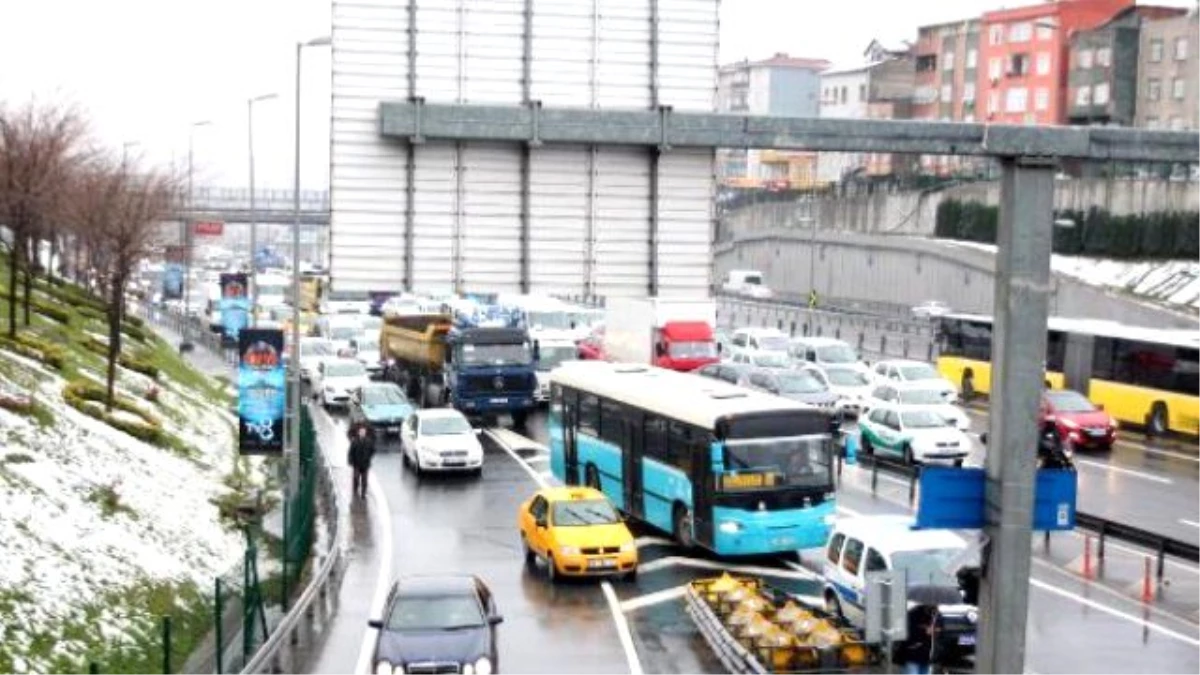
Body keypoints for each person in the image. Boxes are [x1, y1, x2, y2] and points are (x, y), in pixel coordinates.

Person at [895, 604, 936, 675]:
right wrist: (925, 630)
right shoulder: (914, 613)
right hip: (912, 653)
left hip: (925, 654)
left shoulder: (932, 614)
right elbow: (907, 632)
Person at [347, 423, 376, 500]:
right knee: (356, 477)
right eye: (361, 432)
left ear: (365, 433)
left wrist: (369, 457)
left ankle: (363, 494)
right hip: (356, 463)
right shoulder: (355, 441)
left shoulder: (369, 441)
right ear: (359, 433)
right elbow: (350, 452)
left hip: (365, 464)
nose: (362, 433)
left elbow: (373, 450)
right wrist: (350, 461)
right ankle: (355, 490)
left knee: (364, 480)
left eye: (364, 432)